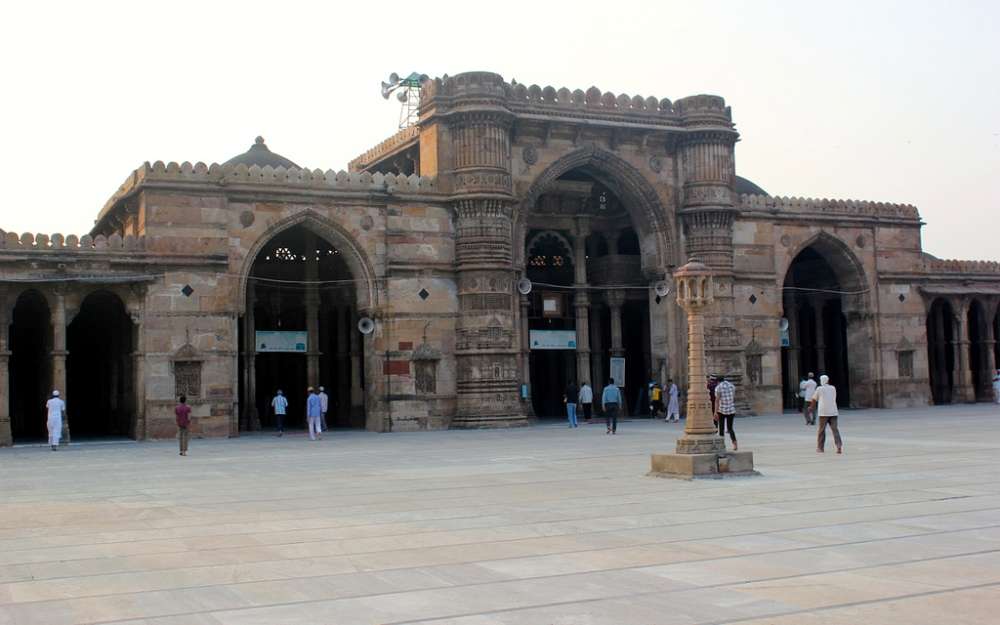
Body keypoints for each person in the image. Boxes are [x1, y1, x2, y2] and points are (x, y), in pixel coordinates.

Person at [811, 374, 843, 454]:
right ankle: (839, 446)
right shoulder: (833, 388)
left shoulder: (819, 389)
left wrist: (811, 407)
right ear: (828, 380)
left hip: (823, 412)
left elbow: (814, 399)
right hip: (833, 411)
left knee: (821, 430)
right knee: (835, 429)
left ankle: (820, 448)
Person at [715, 376, 737, 451]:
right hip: (731, 409)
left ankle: (722, 445)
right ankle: (734, 444)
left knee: (721, 428)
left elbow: (717, 401)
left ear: (718, 381)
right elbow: (733, 397)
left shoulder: (718, 387)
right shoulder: (732, 386)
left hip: (722, 410)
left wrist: (715, 412)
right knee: (730, 428)